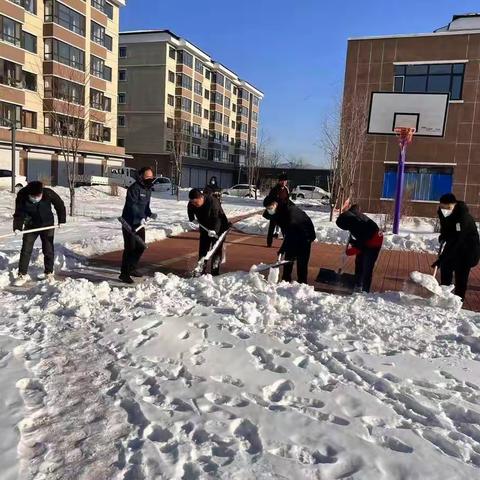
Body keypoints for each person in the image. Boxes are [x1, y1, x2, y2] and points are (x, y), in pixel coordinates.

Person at [13, 181, 66, 285]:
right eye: (34, 196)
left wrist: (62, 220)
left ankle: (49, 272)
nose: (36, 198)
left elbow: (59, 205)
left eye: (38, 195)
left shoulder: (48, 193)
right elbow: (19, 212)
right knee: (26, 249)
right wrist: (17, 227)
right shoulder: (22, 195)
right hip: (31, 225)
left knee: (48, 248)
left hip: (47, 224)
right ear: (29, 194)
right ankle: (22, 274)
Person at [433, 193, 480, 301]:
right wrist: (443, 235)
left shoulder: (463, 217)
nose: (445, 210)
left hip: (468, 249)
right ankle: (444, 296)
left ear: (454, 205)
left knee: (461, 276)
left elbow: (458, 238)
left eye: (448, 208)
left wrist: (442, 258)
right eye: (442, 207)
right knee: (445, 268)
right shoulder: (442, 212)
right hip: (455, 244)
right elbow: (445, 227)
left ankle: (458, 301)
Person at [264, 197, 316, 284]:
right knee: (288, 258)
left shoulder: (289, 212)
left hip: (306, 234)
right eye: (267, 208)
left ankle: (302, 284)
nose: (269, 210)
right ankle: (285, 282)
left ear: (275, 204)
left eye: (270, 208)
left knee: (301, 261)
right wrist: (284, 248)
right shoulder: (277, 211)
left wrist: (283, 248)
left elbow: (290, 234)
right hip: (293, 232)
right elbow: (287, 233)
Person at [119, 166, 157, 283]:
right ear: (141, 177)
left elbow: (145, 206)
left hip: (140, 223)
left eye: (151, 177)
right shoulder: (134, 188)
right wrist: (140, 217)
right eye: (147, 177)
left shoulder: (148, 189)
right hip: (129, 222)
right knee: (130, 248)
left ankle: (132, 267)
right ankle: (124, 274)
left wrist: (150, 214)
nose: (150, 179)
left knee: (141, 246)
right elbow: (132, 206)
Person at [336, 204, 383, 293]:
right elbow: (361, 240)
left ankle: (365, 291)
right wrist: (353, 242)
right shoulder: (352, 217)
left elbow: (360, 246)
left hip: (375, 241)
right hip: (367, 237)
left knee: (367, 266)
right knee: (359, 262)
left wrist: (348, 252)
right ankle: (358, 284)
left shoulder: (356, 225)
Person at [188, 188, 229, 276]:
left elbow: (217, 219)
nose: (194, 204)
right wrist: (192, 219)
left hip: (219, 227)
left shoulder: (213, 202)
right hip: (204, 226)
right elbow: (190, 210)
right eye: (192, 202)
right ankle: (200, 269)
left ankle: (215, 271)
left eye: (196, 202)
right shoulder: (192, 203)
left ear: (201, 198)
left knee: (215, 249)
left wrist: (214, 230)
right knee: (203, 249)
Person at [264, 174, 291, 247]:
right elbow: (270, 200)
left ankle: (286, 244)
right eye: (282, 181)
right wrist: (274, 203)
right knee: (272, 228)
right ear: (279, 181)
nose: (284, 182)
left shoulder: (286, 189)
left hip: (283, 212)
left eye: (285, 181)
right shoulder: (274, 189)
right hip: (275, 212)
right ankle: (269, 243)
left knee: (284, 228)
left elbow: (287, 200)